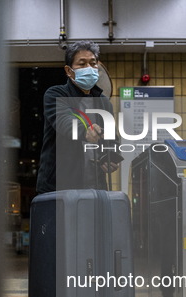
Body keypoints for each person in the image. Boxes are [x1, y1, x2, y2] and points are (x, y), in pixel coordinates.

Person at [36, 40, 119, 194]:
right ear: (69, 70)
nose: (89, 68)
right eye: (82, 64)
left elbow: (112, 139)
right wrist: (85, 132)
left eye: (93, 63)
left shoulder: (103, 103)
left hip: (96, 186)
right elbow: (63, 121)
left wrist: (111, 159)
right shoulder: (56, 94)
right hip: (58, 188)